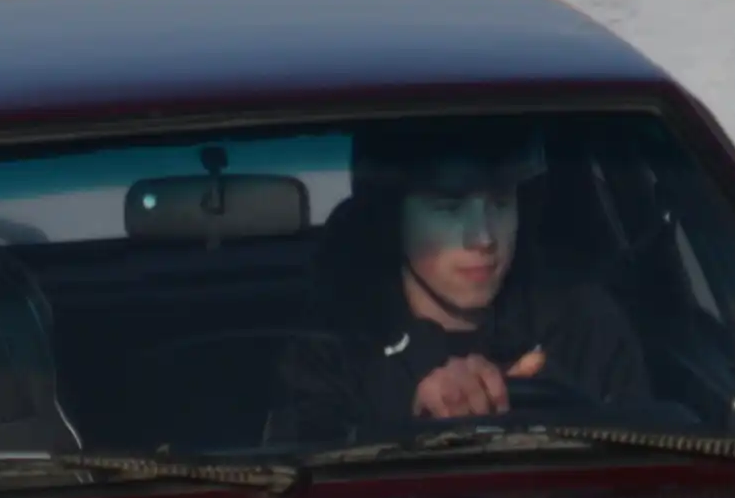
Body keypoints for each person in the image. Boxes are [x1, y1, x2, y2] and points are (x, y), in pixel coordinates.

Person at [277, 121, 649, 439]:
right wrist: (408, 427)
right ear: (393, 217)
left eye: (501, 203)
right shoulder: (336, 345)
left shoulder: (583, 323)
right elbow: (302, 477)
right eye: (449, 208)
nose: (483, 238)